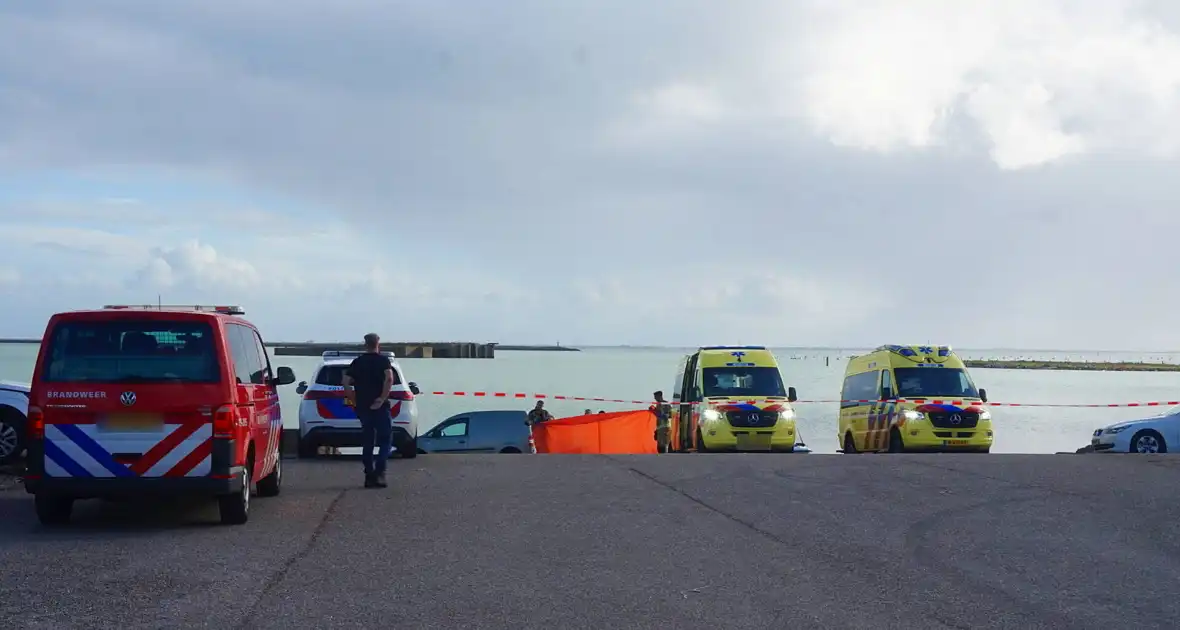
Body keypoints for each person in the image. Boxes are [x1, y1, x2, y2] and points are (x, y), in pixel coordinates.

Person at [342, 333, 394, 489]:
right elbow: (389, 379)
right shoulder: (383, 361)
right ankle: (380, 472)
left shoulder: (357, 362)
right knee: (385, 440)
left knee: (368, 440)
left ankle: (369, 475)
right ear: (378, 344)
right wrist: (382, 398)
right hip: (380, 406)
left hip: (363, 406)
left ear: (365, 344)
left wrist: (353, 398)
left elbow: (345, 381)